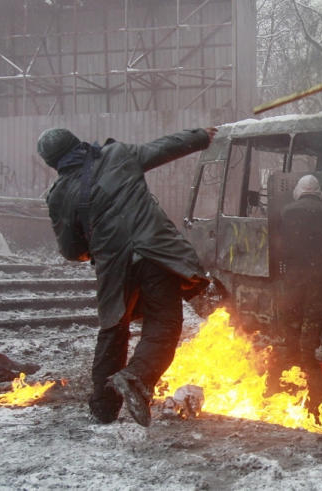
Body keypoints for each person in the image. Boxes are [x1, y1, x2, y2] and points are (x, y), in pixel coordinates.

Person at [38, 126, 217, 426]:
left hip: (113, 266)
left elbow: (71, 250)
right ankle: (137, 378)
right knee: (164, 323)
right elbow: (165, 145)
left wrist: (98, 245)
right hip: (156, 254)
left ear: (52, 163)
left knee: (113, 330)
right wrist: (203, 135)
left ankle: (104, 408)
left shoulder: (59, 196)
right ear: (77, 142)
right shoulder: (117, 155)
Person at [279, 175, 322, 374]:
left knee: (292, 313)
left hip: (294, 272)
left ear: (299, 189)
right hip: (320, 273)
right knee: (314, 315)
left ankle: (292, 355)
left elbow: (279, 243)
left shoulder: (286, 212)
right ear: (318, 190)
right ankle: (307, 357)